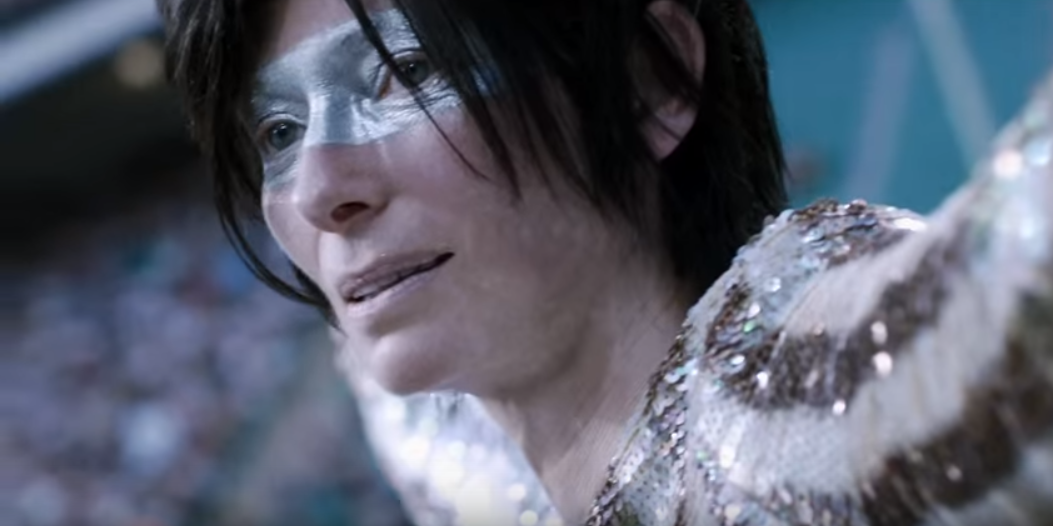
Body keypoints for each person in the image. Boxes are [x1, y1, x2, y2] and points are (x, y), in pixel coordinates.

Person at [157, 0, 1053, 524]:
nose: (320, 189)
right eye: (279, 131)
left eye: (409, 71)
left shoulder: (812, 401)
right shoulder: (468, 467)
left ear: (649, 83)